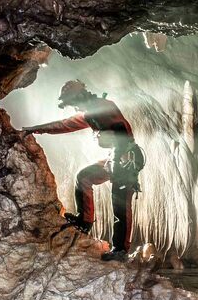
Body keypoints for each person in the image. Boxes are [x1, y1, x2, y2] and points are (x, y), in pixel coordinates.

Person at [24, 80, 144, 261]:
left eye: (73, 103)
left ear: (79, 97)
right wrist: (36, 129)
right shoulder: (90, 114)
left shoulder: (103, 107)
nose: (74, 107)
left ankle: (120, 249)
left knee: (120, 203)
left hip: (127, 158)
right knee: (84, 177)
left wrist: (119, 160)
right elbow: (65, 124)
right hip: (114, 157)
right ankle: (85, 221)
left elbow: (121, 130)